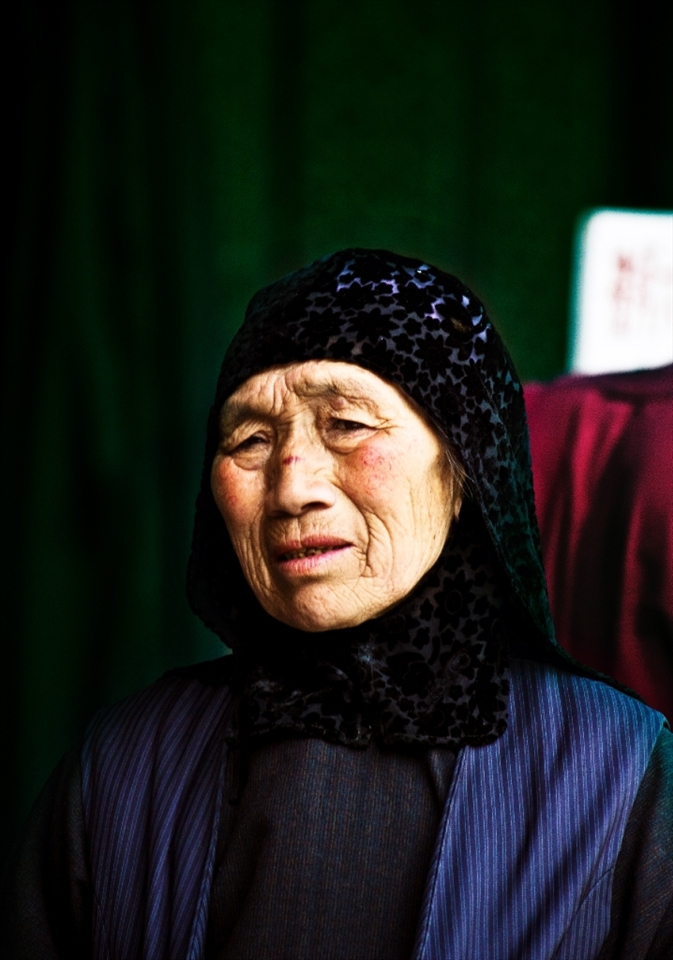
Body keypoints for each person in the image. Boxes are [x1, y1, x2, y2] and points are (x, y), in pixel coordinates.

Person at [2, 248, 672, 960]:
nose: (292, 488)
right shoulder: (125, 763)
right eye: (250, 439)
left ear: (462, 467)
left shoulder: (618, 770)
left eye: (346, 426)